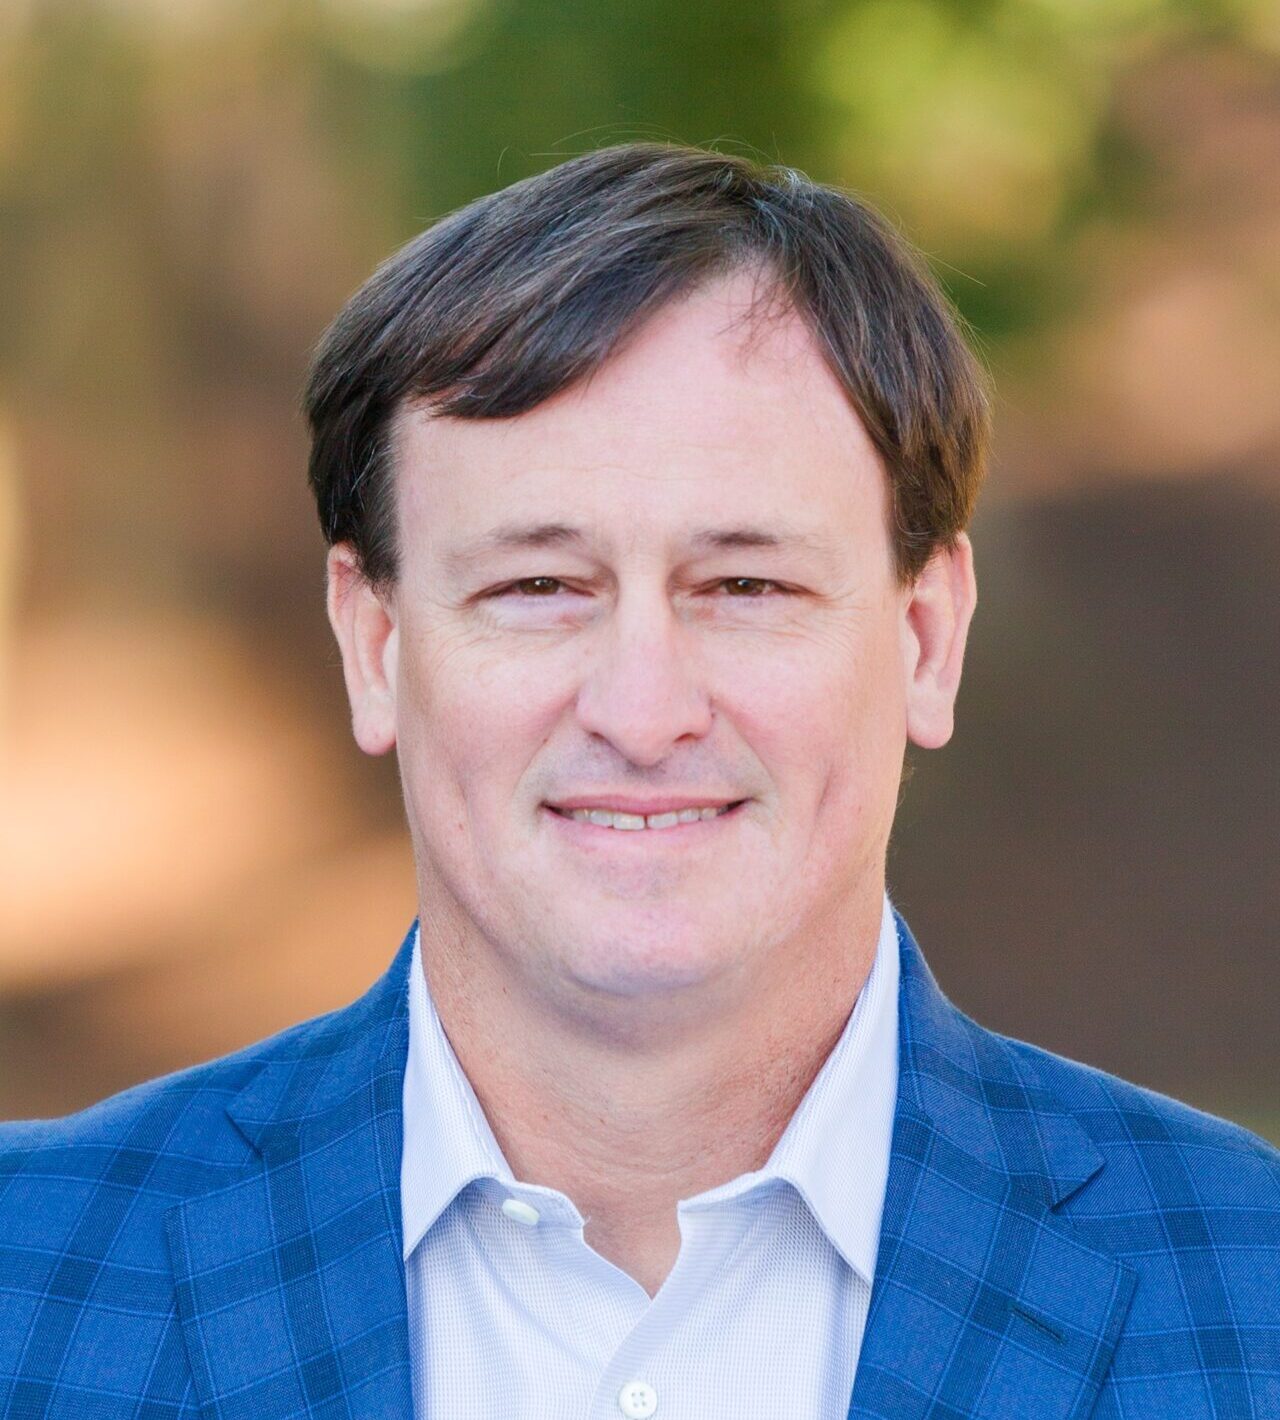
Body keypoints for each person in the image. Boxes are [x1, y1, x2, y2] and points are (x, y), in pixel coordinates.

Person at [1, 143, 1276, 1420]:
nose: (642, 711)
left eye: (743, 585)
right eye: (538, 587)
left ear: (925, 639)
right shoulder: (31, 1279)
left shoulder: (1246, 1294)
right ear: (374, 645)